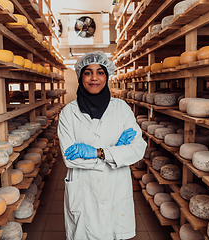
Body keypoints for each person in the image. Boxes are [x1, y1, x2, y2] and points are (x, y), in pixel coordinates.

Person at [57, 51, 147, 240]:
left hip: (115, 187)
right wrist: (116, 154)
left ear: (107, 76)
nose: (94, 78)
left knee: (114, 233)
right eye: (88, 72)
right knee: (84, 233)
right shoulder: (68, 113)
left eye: (100, 72)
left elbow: (138, 148)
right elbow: (70, 159)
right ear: (80, 77)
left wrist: (100, 153)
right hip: (83, 190)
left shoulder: (121, 109)